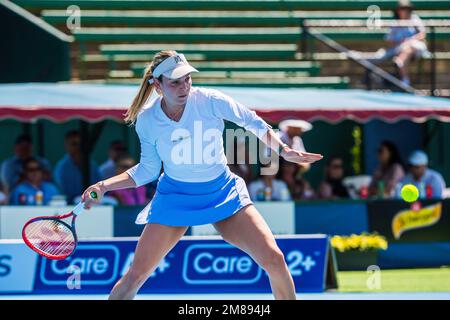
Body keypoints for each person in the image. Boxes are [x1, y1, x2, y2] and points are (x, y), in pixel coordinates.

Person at [80, 51, 323, 300]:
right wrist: (104, 185)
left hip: (223, 193)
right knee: (135, 276)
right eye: (175, 81)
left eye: (187, 78)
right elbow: (148, 170)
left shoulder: (210, 100)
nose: (184, 86)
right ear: (157, 85)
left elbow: (252, 122)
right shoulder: (147, 120)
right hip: (174, 197)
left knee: (275, 260)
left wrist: (283, 151)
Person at [370, 0, 428, 86]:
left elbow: (422, 34)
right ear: (398, 11)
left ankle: (401, 65)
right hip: (399, 49)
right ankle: (404, 79)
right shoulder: (395, 23)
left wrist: (409, 40)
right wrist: (401, 43)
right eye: (402, 9)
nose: (405, 11)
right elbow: (389, 41)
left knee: (409, 47)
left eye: (407, 9)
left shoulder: (415, 19)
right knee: (405, 49)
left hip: (416, 48)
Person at [54, 130, 100, 204]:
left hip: (93, 205)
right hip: (69, 207)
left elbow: (100, 187)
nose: (78, 147)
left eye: (80, 144)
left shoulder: (92, 165)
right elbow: (62, 193)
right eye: (74, 144)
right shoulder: (61, 167)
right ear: (66, 145)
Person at [277, 119, 313, 195]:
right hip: (276, 169)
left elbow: (305, 162)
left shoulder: (297, 140)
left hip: (293, 172)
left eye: (300, 128)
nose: (299, 131)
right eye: (297, 128)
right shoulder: (278, 137)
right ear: (289, 127)